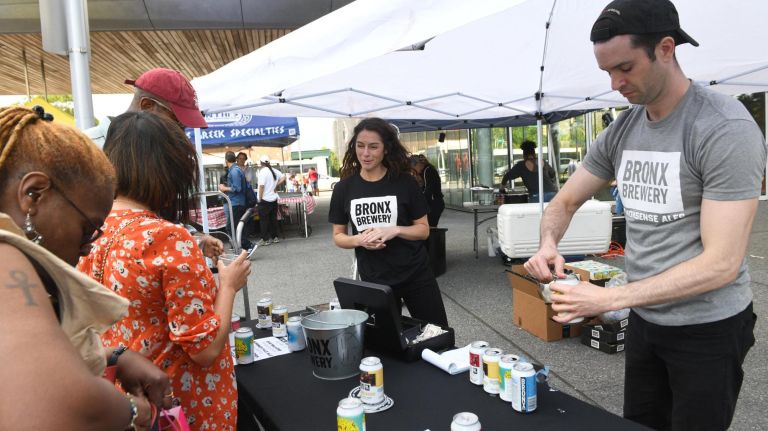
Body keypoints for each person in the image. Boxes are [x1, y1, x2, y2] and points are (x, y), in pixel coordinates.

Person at [524, 1, 766, 429]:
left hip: (707, 326)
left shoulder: (722, 126)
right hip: (646, 318)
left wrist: (609, 298)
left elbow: (722, 264)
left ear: (666, 48)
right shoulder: (623, 128)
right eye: (607, 73)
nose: (616, 83)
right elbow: (563, 202)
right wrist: (548, 245)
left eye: (625, 67)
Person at [0, 106, 172, 430]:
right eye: (87, 227)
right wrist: (132, 411)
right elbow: (55, 406)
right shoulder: (5, 258)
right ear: (33, 195)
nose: (90, 244)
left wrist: (112, 357)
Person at [77, 111, 251, 431]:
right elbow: (206, 349)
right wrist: (228, 285)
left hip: (127, 401)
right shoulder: (168, 237)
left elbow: (134, 286)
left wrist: (193, 249)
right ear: (167, 172)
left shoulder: (90, 230)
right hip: (182, 405)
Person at [329, 118, 449, 326]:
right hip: (375, 281)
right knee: (386, 347)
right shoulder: (344, 189)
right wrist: (360, 240)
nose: (365, 153)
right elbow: (338, 236)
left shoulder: (405, 183)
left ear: (386, 149)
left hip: (416, 275)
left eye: (373, 147)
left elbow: (423, 231)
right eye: (360, 146)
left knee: (437, 334)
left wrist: (395, 230)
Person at [84, 67, 208, 148]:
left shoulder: (160, 152)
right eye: (177, 123)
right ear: (147, 105)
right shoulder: (86, 149)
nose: (182, 133)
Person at [219, 151, 256, 252]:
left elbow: (237, 188)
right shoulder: (236, 170)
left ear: (226, 160)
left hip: (237, 203)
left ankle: (248, 245)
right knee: (236, 226)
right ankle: (243, 247)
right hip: (238, 202)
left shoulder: (234, 171)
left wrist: (224, 188)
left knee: (232, 227)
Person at [256, 155, 285, 246]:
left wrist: (259, 199)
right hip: (273, 198)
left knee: (264, 220)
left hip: (264, 199)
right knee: (273, 219)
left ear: (261, 163)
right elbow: (284, 177)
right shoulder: (274, 171)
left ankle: (265, 239)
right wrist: (276, 185)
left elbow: (261, 186)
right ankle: (275, 237)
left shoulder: (262, 172)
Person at [410, 154, 445, 227]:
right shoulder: (425, 171)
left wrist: (419, 203)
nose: (414, 171)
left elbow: (428, 191)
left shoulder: (428, 170)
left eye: (413, 168)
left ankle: (433, 238)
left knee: (429, 227)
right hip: (433, 202)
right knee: (428, 227)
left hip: (434, 203)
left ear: (417, 164)